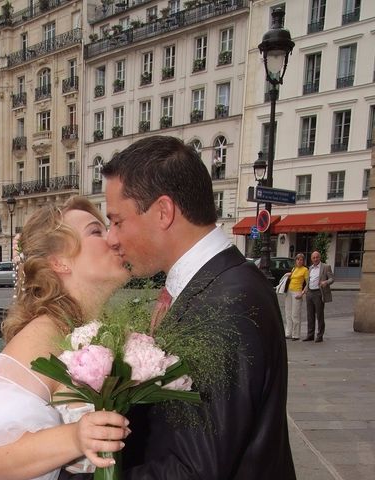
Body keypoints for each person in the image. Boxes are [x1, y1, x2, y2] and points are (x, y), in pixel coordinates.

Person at [84, 135, 294, 479]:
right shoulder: (219, 284)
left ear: (163, 212)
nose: (111, 238)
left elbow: (197, 469)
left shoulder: (227, 301)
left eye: (117, 221)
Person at [0, 196, 131, 480]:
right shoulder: (45, 334)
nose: (112, 237)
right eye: (96, 231)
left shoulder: (102, 328)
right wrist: (76, 437)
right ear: (60, 261)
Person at [302, 250, 334, 342]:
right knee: (310, 315)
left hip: (319, 293)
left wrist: (325, 282)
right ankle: (310, 335)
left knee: (319, 315)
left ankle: (320, 335)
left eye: (317, 257)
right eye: (313, 257)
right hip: (310, 293)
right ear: (311, 259)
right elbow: (309, 281)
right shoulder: (310, 268)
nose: (315, 259)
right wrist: (305, 291)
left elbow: (332, 279)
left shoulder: (326, 267)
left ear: (320, 258)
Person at [284, 253, 308, 340]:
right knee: (288, 313)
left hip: (297, 292)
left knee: (295, 314)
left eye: (301, 260)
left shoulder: (305, 270)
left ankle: (296, 335)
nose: (299, 261)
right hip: (289, 292)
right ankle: (288, 333)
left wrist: (302, 293)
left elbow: (308, 283)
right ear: (295, 260)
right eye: (298, 259)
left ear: (303, 261)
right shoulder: (294, 269)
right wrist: (288, 275)